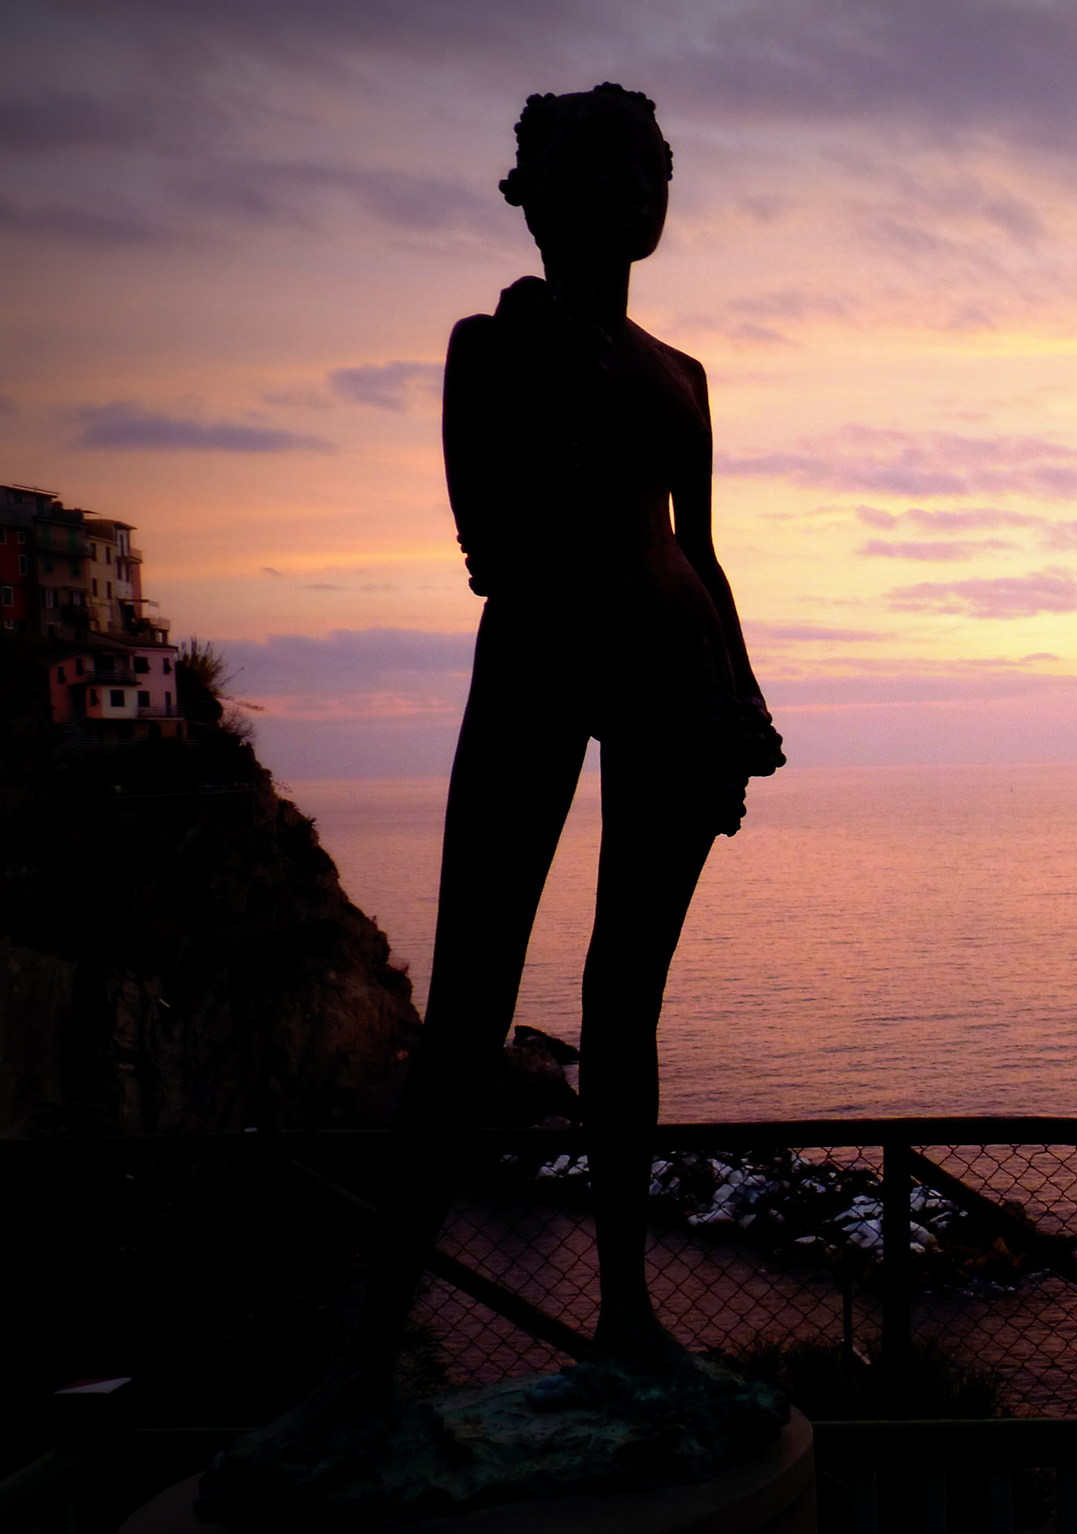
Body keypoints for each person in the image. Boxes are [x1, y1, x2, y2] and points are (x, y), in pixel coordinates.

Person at [375, 79, 784, 1381]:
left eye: (660, 166)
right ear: (555, 193)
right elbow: (492, 543)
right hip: (543, 661)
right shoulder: (494, 347)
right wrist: (557, 373)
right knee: (467, 1009)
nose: (649, 189)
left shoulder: (686, 374)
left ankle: (625, 1317)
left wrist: (743, 695)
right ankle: (366, 1354)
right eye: (624, 165)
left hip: (675, 675)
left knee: (625, 1006)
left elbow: (702, 552)